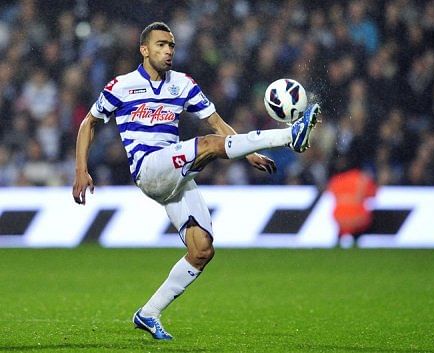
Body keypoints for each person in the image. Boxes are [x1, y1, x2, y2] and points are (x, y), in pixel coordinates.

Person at [72, 22, 320, 340]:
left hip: (175, 174)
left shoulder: (183, 85)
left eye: (172, 45)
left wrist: (246, 153)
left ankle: (148, 313)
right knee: (207, 145)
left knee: (202, 250)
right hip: (148, 169)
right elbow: (88, 123)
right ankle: (290, 135)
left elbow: (216, 122)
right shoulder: (122, 86)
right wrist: (81, 169)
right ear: (144, 50)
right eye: (161, 45)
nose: (168, 51)